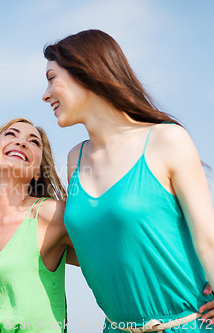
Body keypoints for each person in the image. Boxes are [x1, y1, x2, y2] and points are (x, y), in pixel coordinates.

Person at [42, 29, 214, 332]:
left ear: (85, 73)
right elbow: (96, 245)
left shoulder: (166, 139)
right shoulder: (75, 159)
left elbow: (208, 240)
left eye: (52, 78)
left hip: (189, 324)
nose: (46, 94)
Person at [0, 118, 77, 332]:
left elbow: (113, 257)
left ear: (37, 171)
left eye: (34, 142)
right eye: (11, 134)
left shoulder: (53, 215)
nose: (21, 142)